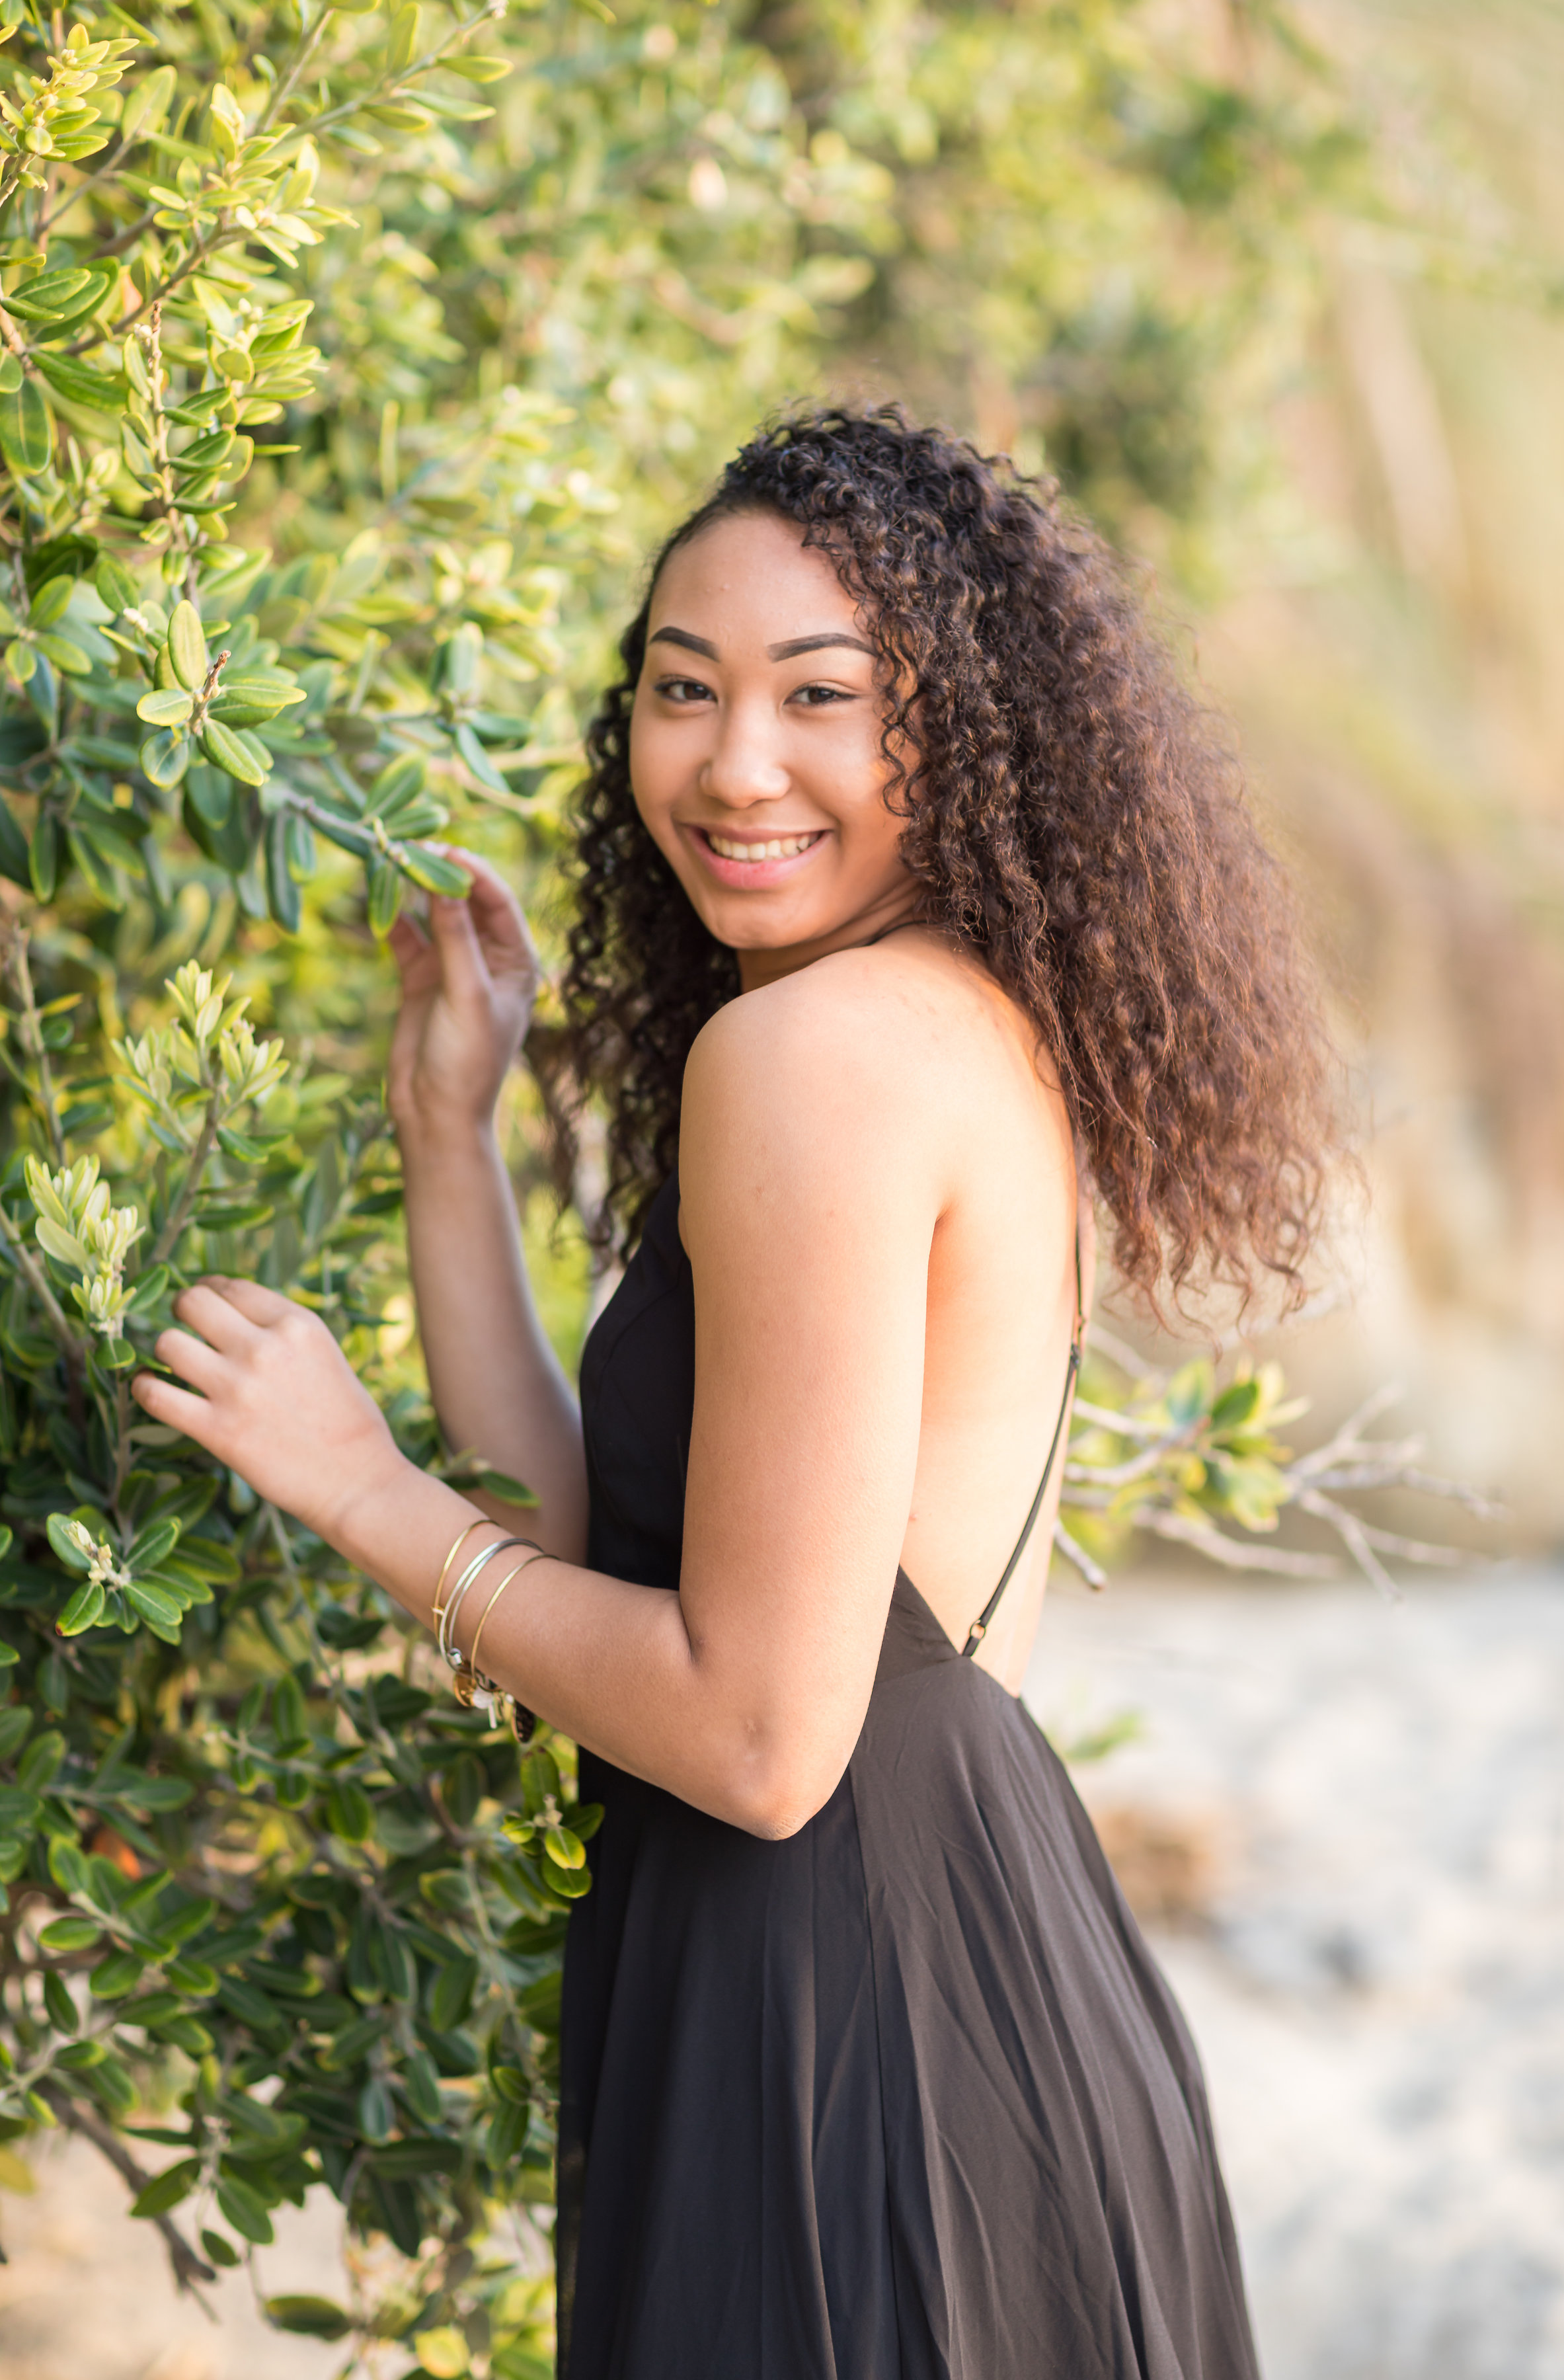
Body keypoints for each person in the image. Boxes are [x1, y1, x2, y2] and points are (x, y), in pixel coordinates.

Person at [136, 406, 1333, 2377]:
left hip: (840, 2044)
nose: (737, 761)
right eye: (682, 692)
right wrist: (455, 1136)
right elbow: (586, 1572)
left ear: (950, 730)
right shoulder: (956, 1024)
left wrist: (354, 1488)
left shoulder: (817, 1061)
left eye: (821, 696)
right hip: (961, 1989)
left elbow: (765, 1737)